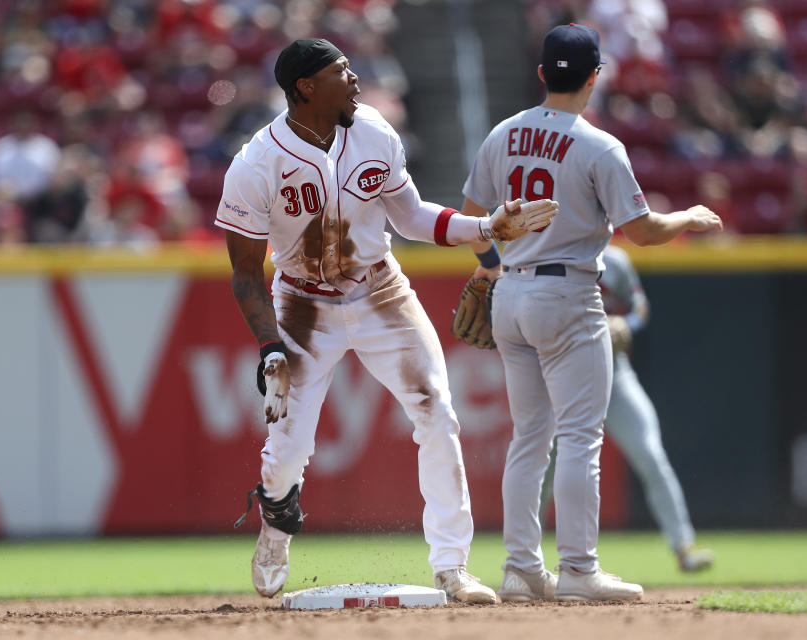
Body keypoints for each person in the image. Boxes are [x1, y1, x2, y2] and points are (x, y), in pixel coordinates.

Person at [215, 38, 558, 604]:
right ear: (306, 87)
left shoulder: (373, 130)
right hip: (302, 304)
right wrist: (270, 346)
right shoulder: (257, 163)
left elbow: (411, 216)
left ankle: (452, 566)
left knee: (438, 413)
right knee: (285, 455)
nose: (356, 80)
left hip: (382, 291)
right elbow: (246, 274)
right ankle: (277, 527)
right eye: (341, 72)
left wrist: (487, 227)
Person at [459, 24, 723, 602]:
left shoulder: (503, 133)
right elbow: (644, 232)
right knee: (579, 437)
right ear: (596, 76)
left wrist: (490, 268)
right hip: (568, 294)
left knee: (530, 437)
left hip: (512, 293)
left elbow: (472, 214)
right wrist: (690, 217)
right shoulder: (599, 144)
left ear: (540, 73)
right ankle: (579, 568)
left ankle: (521, 568)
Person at [539, 244, 715, 574]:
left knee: (650, 455)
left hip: (615, 374)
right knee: (543, 468)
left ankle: (684, 546)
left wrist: (627, 324)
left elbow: (640, 308)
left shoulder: (614, 259)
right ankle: (527, 560)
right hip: (559, 374)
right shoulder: (543, 254)